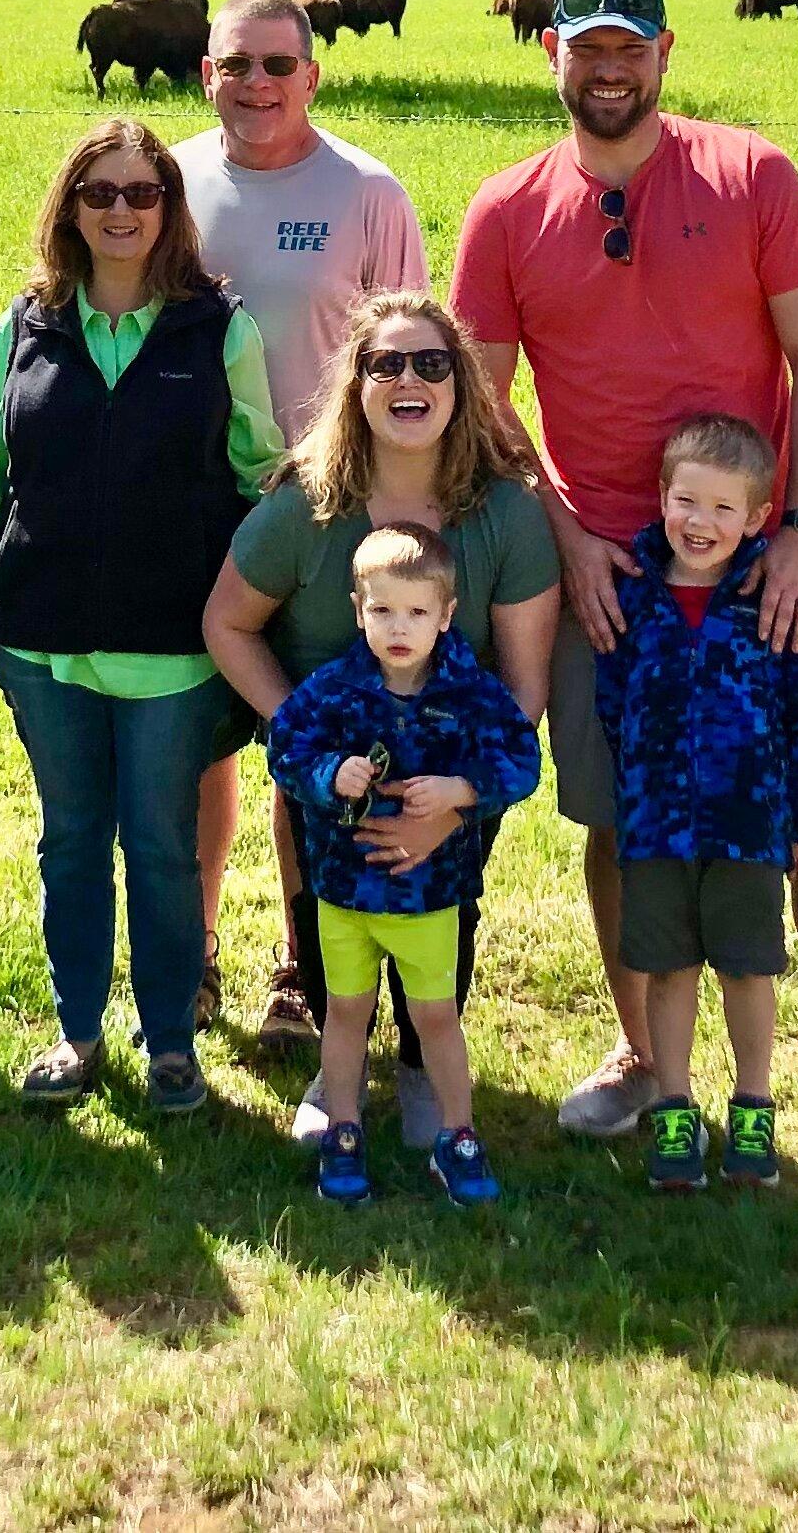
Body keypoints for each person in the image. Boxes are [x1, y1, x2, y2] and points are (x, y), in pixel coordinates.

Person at [451, 0, 798, 1203]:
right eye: (588, 43)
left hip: (756, 577)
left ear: (666, 53)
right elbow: (480, 400)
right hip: (611, 588)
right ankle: (645, 1056)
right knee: (623, 824)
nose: (609, 64)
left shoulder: (751, 176)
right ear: (550, 53)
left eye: (632, 43)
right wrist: (567, 536)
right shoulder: (507, 208)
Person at [0, 117, 282, 1114]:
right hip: (38, 637)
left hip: (174, 645)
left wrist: (265, 608)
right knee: (72, 837)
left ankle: (170, 1043)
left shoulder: (221, 327)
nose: (120, 211)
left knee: (162, 844)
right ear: (70, 209)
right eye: (99, 193)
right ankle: (76, 1034)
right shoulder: (25, 321)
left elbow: (262, 479)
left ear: (169, 208)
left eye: (141, 192)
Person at [202, 291, 560, 1150]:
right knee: (331, 922)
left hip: (453, 785)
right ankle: (338, 1073)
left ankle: (420, 1072)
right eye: (385, 363)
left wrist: (458, 803)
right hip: (332, 788)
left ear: (461, 384)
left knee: (446, 924)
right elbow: (227, 623)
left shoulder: (507, 513)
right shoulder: (306, 506)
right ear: (355, 384)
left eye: (431, 363)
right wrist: (306, 737)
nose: (409, 379)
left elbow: (522, 690)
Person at [174, 0, 427, 1050]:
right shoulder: (171, 180)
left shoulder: (368, 192)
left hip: (325, 509)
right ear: (206, 75)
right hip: (187, 504)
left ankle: (300, 966)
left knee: (308, 736)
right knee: (193, 744)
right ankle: (187, 958)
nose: (256, 84)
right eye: (236, 65)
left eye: (277, 64)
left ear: (313, 75)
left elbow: (417, 366)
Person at [599, 417, 798, 1192]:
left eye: (722, 509)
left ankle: (753, 1107)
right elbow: (613, 701)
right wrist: (638, 788)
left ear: (756, 519)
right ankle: (675, 1112)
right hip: (657, 829)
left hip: (749, 827)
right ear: (662, 498)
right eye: (685, 502)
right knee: (668, 970)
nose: (700, 523)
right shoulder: (636, 597)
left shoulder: (772, 601)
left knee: (747, 970)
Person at [264, 523, 536, 1207]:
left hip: (428, 897)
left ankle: (458, 1134)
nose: (399, 627)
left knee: (437, 1015)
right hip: (345, 892)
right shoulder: (332, 691)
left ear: (447, 616)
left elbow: (521, 760)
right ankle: (344, 1129)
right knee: (347, 1013)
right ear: (358, 610)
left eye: (417, 612)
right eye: (382, 610)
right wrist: (330, 774)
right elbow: (286, 750)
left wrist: (462, 791)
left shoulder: (471, 694)